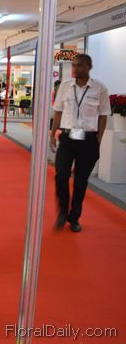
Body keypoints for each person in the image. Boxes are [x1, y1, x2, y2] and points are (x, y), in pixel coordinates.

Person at [50, 54, 110, 233]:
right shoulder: (65, 87)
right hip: (67, 138)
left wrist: (98, 139)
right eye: (74, 65)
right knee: (61, 175)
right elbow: (58, 111)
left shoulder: (100, 88)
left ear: (89, 67)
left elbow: (103, 115)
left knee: (81, 181)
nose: (75, 69)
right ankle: (62, 212)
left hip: (88, 140)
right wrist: (53, 134)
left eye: (80, 65)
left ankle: (74, 217)